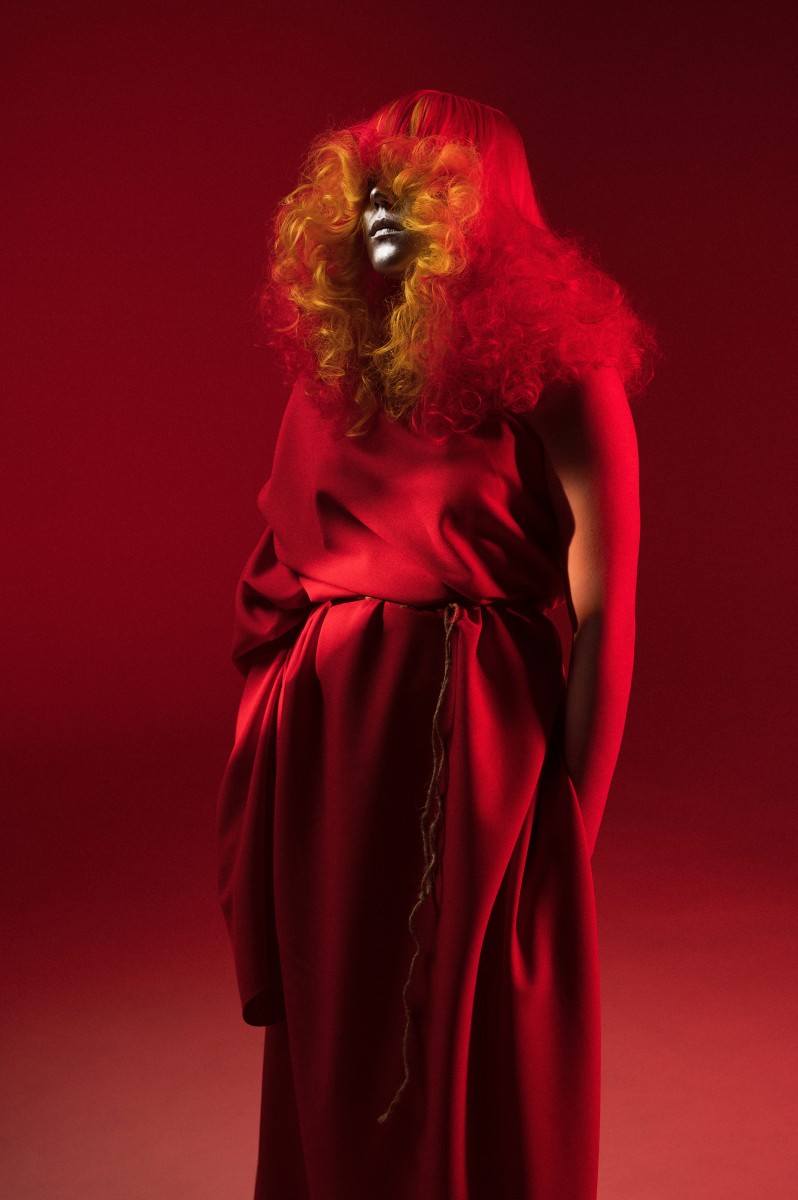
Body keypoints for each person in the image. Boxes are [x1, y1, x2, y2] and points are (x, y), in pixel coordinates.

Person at [216, 88, 657, 1200]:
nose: (380, 209)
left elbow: (606, 614)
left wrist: (570, 829)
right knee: (340, 1028)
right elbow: (287, 566)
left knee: (467, 1034)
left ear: (480, 212)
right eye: (367, 186)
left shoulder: (563, 378)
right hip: (329, 754)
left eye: (410, 189)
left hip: (477, 752)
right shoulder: (339, 370)